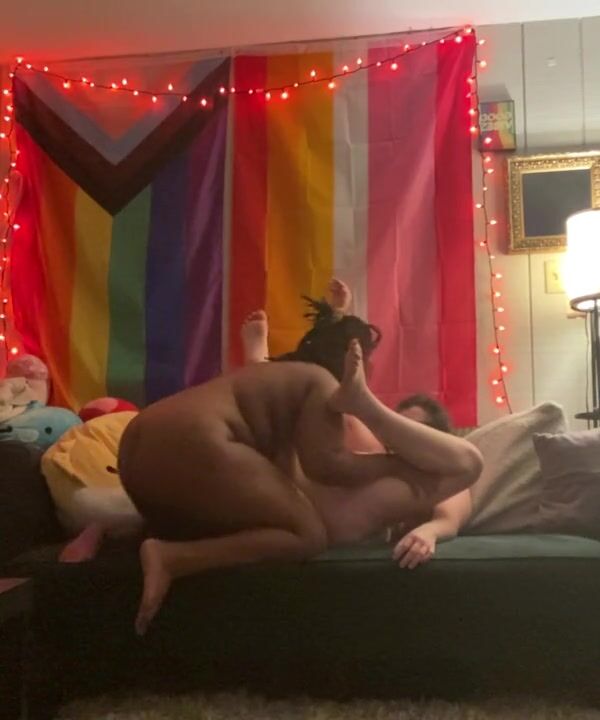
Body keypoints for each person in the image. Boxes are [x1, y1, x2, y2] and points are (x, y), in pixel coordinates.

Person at [119, 325, 483, 635]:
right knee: (307, 535)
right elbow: (328, 465)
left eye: (409, 430)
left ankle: (151, 544)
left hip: (140, 446)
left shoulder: (302, 397)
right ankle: (171, 558)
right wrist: (383, 446)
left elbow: (463, 472)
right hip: (195, 441)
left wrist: (431, 527)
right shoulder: (327, 400)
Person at [240, 280, 473, 570]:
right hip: (310, 487)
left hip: (344, 515)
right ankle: (266, 368)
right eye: (399, 423)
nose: (399, 434)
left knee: (332, 413)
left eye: (413, 429)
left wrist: (431, 531)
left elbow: (460, 487)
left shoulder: (432, 474)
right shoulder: (368, 439)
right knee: (327, 409)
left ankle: (260, 369)